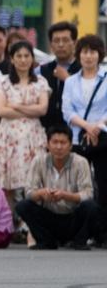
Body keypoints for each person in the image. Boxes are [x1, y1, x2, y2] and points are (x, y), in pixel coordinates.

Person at [16, 125, 100, 250]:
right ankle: (46, 241)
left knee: (91, 206)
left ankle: (79, 241)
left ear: (71, 145)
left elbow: (88, 194)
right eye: (55, 142)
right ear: (48, 145)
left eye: (63, 143)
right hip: (49, 216)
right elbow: (28, 192)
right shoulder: (38, 161)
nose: (59, 147)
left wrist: (65, 195)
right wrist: (41, 193)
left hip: (73, 217)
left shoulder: (81, 162)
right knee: (23, 206)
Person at [0, 41, 50, 207]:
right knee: (6, 183)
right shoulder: (3, 81)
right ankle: (8, 225)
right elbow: (1, 111)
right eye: (19, 56)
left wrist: (16, 106)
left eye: (26, 56)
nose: (23, 60)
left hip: (33, 137)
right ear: (12, 59)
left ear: (32, 58)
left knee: (34, 182)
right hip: (8, 137)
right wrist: (30, 109)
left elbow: (43, 109)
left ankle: (31, 227)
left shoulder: (41, 82)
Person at [62, 35, 107, 203]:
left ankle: (102, 227)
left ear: (100, 55)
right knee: (78, 185)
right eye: (85, 52)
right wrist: (87, 126)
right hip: (78, 138)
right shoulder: (71, 81)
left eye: (93, 52)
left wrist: (98, 126)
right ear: (79, 54)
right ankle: (82, 226)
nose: (88, 56)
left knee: (103, 185)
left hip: (103, 137)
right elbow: (67, 110)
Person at [41, 21, 79, 129]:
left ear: (75, 43)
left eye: (66, 40)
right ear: (51, 45)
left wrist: (68, 79)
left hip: (75, 130)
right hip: (47, 130)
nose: (61, 44)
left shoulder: (83, 70)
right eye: (56, 41)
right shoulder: (41, 70)